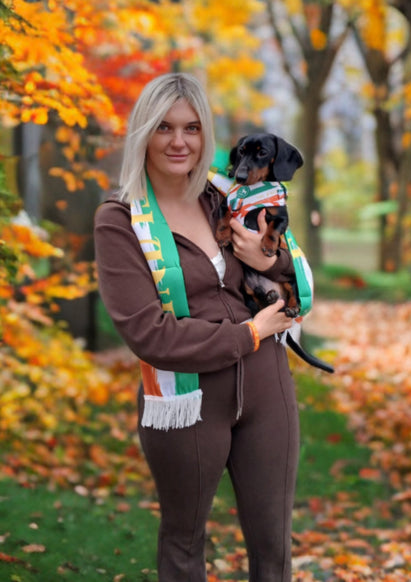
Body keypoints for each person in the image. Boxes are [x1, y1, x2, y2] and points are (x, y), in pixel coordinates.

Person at [94, 72, 300, 582]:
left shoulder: (225, 199)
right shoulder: (120, 220)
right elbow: (150, 334)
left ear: (205, 133)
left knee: (273, 547)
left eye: (191, 128)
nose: (179, 141)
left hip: (267, 387)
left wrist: (270, 261)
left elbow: (292, 272)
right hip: (186, 400)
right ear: (143, 133)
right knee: (184, 544)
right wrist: (249, 334)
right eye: (163, 127)